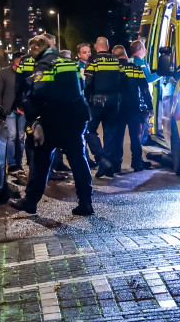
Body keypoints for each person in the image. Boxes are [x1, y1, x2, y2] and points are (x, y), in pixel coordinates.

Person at [8, 34, 93, 216]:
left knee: (40, 161)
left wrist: (31, 116)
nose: (31, 53)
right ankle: (86, 202)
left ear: (38, 48)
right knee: (78, 160)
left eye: (32, 49)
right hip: (76, 118)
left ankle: (30, 202)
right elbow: (80, 87)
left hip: (53, 120)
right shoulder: (68, 62)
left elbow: (39, 92)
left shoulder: (45, 64)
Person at [84, 36, 124, 177]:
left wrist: (87, 99)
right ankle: (107, 165)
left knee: (89, 130)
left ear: (96, 47)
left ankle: (102, 159)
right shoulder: (115, 60)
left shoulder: (93, 61)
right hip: (114, 101)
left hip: (97, 101)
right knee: (110, 133)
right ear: (108, 46)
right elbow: (122, 80)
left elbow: (88, 83)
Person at [112, 45, 153, 171]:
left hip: (118, 108)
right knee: (135, 136)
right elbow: (145, 90)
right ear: (125, 55)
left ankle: (116, 165)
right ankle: (137, 163)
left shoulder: (113, 70)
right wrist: (150, 107)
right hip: (133, 106)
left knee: (118, 136)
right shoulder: (135, 68)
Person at [0, 53, 26, 171]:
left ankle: (19, 162)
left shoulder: (25, 73)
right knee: (12, 135)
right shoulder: (4, 73)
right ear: (16, 61)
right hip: (9, 110)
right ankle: (11, 163)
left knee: (21, 137)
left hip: (22, 109)